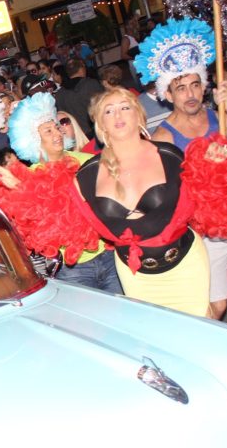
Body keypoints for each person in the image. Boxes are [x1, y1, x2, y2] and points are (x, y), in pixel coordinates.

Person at [149, 20, 227, 321]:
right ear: (168, 94)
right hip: (205, 236)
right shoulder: (163, 138)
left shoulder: (220, 118)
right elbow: (169, 196)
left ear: (204, 85)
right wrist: (205, 168)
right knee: (215, 308)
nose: (189, 94)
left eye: (194, 85)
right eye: (180, 88)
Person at [72, 87, 210, 315]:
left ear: (138, 115)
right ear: (100, 124)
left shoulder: (169, 156)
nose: (118, 115)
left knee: (198, 334)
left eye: (125, 108)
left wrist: (218, 164)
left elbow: (202, 200)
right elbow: (63, 215)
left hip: (185, 265)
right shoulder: (85, 176)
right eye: (109, 111)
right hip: (134, 275)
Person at [0, 93, 122, 294]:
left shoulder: (87, 161)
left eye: (57, 128)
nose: (57, 134)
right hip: (72, 268)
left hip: (109, 257)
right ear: (33, 138)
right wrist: (18, 188)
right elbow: (35, 220)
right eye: (48, 131)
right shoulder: (27, 178)